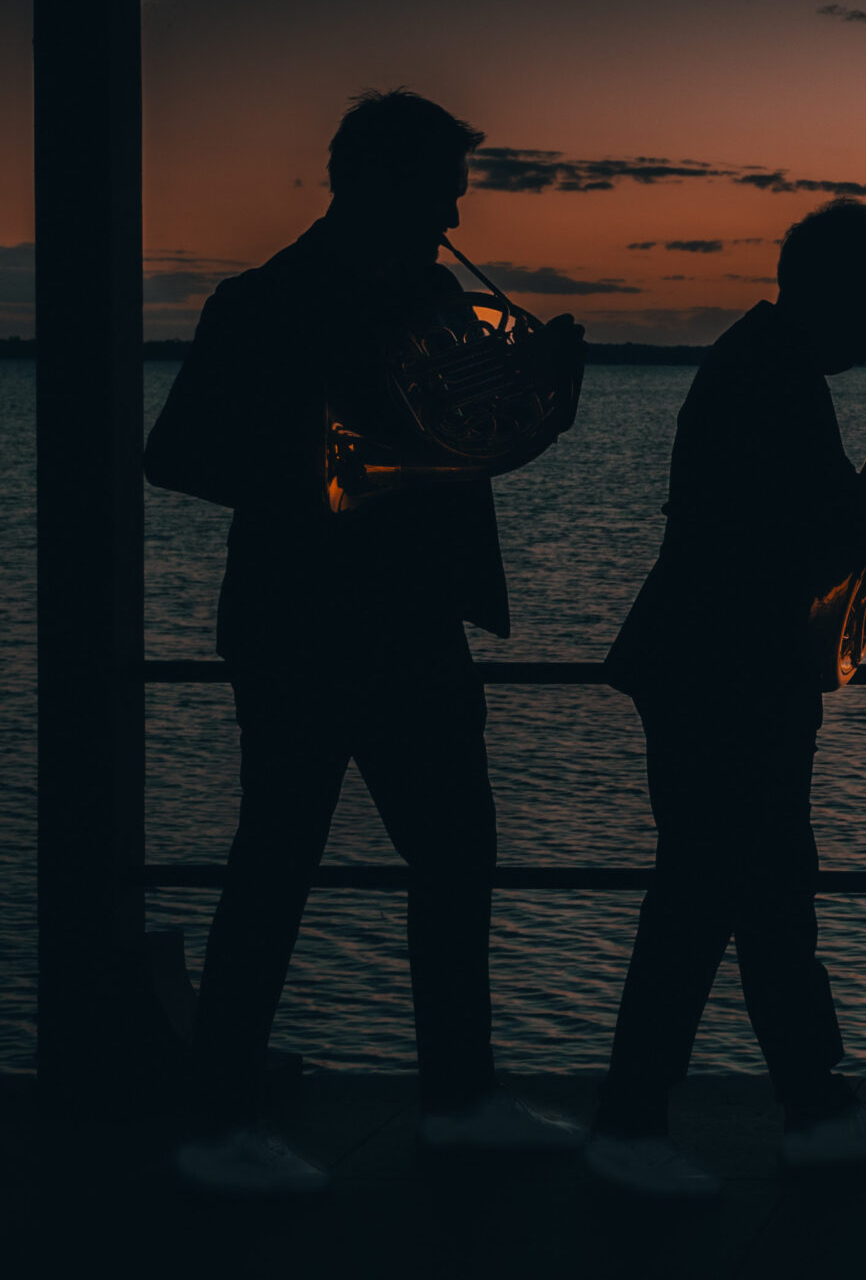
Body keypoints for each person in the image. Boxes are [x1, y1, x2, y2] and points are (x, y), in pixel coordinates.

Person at [144, 88, 587, 1194]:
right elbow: (178, 454)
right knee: (276, 864)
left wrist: (540, 408)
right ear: (377, 184)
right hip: (301, 622)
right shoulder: (261, 304)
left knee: (456, 855)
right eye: (442, 187)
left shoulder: (436, 295)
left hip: (416, 618)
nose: (457, 209)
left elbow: (463, 449)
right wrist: (332, 470)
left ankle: (459, 1100)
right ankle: (218, 1124)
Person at [582, 198, 866, 1200]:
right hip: (724, 673)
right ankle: (633, 1122)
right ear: (827, 290)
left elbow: (807, 513)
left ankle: (810, 1106)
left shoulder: (763, 362)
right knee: (710, 898)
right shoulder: (772, 375)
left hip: (727, 668)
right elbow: (816, 513)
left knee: (765, 896)